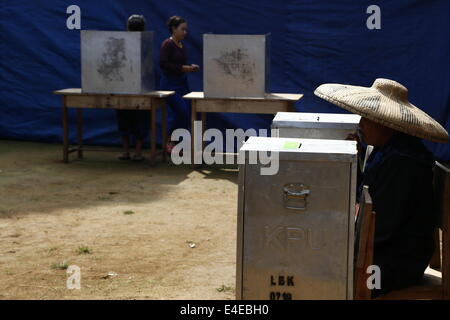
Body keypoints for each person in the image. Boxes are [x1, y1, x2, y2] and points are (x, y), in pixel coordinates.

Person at [314, 78, 449, 297]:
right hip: (384, 251)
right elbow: (367, 195)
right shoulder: (385, 150)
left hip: (394, 265)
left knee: (323, 270)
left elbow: (381, 229)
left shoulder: (404, 161)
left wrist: (338, 240)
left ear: (384, 122)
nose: (360, 124)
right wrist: (355, 161)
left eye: (366, 119)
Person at [159, 16, 200, 154]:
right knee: (180, 111)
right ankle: (169, 140)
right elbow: (163, 64)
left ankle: (178, 143)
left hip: (182, 84)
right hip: (169, 85)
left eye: (186, 30)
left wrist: (190, 67)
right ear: (173, 29)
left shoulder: (182, 46)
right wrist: (183, 68)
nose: (185, 32)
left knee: (187, 112)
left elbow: (179, 64)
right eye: (182, 29)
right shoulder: (167, 44)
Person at [116, 14, 150, 161]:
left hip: (135, 87)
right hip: (125, 86)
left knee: (135, 119)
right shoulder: (122, 43)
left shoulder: (145, 43)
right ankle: (133, 152)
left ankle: (132, 152)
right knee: (128, 119)